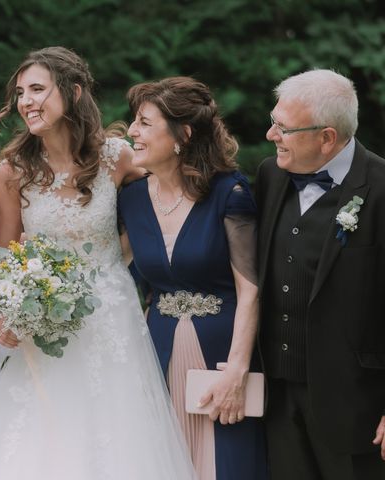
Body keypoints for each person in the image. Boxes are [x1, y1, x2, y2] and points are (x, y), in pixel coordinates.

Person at [0, 46, 196, 480]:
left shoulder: (116, 157)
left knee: (118, 435)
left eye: (38, 89)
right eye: (21, 91)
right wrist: (12, 308)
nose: (26, 101)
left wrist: (121, 256)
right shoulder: (13, 170)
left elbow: (160, 206)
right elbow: (8, 253)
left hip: (112, 317)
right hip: (42, 325)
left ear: (74, 91)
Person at [118, 77, 267, 480]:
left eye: (145, 123)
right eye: (135, 121)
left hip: (221, 357)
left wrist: (236, 371)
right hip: (158, 354)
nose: (132, 131)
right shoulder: (130, 199)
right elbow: (108, 271)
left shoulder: (228, 192)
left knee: (229, 466)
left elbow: (250, 291)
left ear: (183, 134)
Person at [256, 69, 385, 479]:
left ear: (327, 137)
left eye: (283, 127)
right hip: (276, 401)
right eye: (273, 120)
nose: (270, 134)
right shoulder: (269, 176)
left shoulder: (382, 189)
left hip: (357, 409)